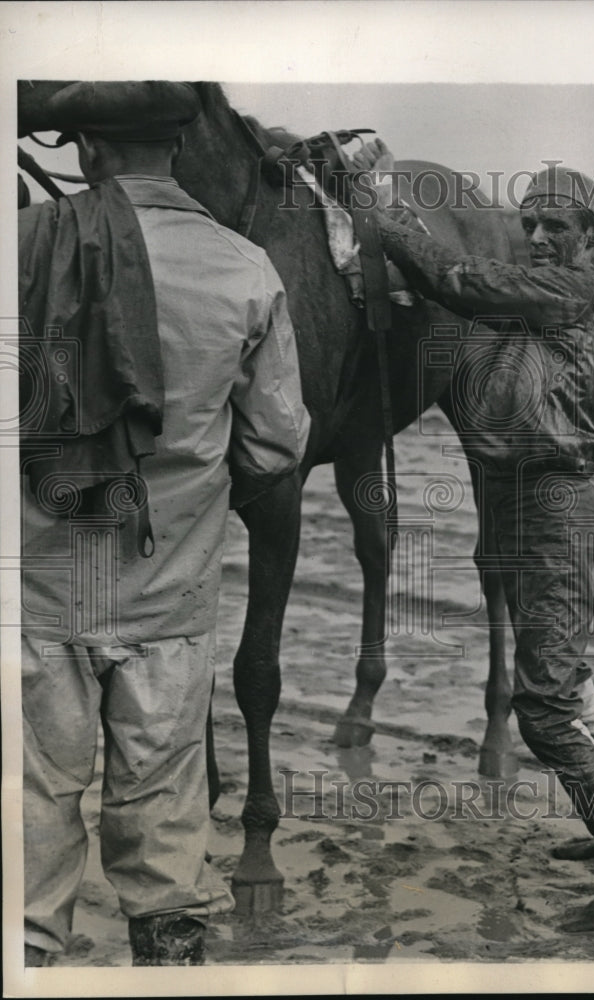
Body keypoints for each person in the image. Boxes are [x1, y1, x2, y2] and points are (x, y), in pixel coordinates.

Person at [19, 82, 310, 966]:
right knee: (164, 816)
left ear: (88, 152)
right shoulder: (245, 267)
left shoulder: (23, 249)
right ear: (176, 149)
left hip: (41, 591)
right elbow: (276, 443)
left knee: (32, 808)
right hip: (167, 595)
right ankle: (167, 968)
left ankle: (28, 958)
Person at [366, 156, 594, 932]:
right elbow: (459, 311)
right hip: (524, 502)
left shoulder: (577, 289)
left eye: (556, 225)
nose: (537, 235)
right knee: (574, 686)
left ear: (591, 236)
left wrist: (391, 223)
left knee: (543, 708)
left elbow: (461, 284)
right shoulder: (530, 307)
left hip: (554, 508)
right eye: (529, 222)